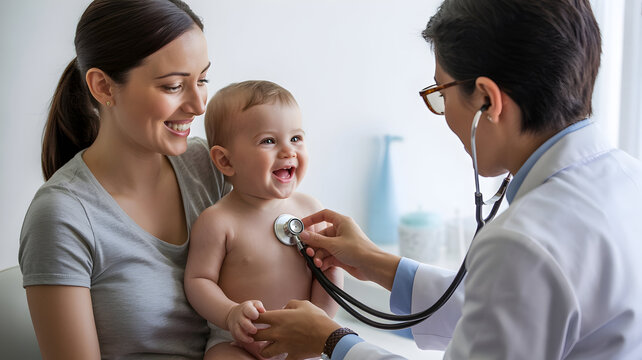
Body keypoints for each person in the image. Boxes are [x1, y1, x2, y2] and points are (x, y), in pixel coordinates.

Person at [253, 0, 642, 359]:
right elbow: (509, 312)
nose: (444, 114)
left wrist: (332, 341)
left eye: (441, 92)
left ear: (487, 100)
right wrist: (374, 262)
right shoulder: (629, 179)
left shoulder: (523, 241)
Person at [18, 1, 230, 358]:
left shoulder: (211, 168)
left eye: (203, 79)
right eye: (174, 86)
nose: (198, 104)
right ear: (103, 87)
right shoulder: (61, 217)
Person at [184, 80, 341, 360]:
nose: (288, 151)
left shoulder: (310, 209)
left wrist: (328, 290)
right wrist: (230, 313)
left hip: (302, 340)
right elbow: (198, 281)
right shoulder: (219, 221)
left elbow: (325, 283)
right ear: (225, 161)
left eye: (296, 138)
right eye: (268, 141)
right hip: (239, 341)